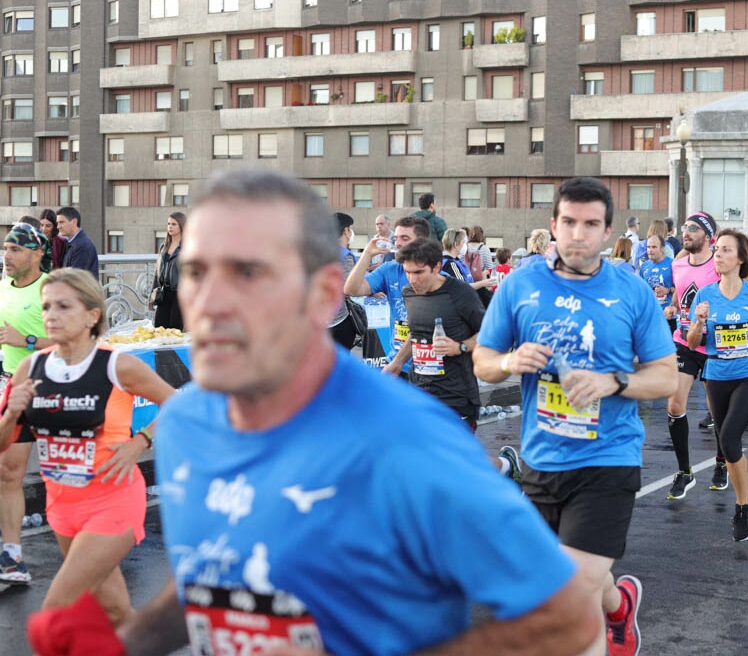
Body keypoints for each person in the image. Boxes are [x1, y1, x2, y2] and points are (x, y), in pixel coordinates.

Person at [25, 170, 598, 656]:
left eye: (248, 273)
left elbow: (565, 615)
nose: (212, 301)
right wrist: (127, 645)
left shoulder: (405, 438)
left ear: (324, 293)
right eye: (198, 272)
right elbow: (221, 575)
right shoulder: (186, 424)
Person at [474, 176, 678, 656]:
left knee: (572, 595)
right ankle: (620, 605)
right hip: (542, 458)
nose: (577, 234)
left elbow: (666, 377)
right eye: (568, 222)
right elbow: (483, 358)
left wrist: (614, 382)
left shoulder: (630, 292)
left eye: (590, 224)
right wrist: (508, 362)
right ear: (553, 224)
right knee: (571, 579)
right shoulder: (521, 283)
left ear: (607, 233)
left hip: (608, 457)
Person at [0, 268, 175, 623]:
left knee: (55, 612)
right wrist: (11, 413)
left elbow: (177, 403)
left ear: (92, 315)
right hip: (63, 506)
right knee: (113, 610)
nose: (51, 315)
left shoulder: (116, 365)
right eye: (47, 306)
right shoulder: (30, 368)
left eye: (64, 306)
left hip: (114, 501)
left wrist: (140, 442)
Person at [395, 237, 522, 480]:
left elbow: (491, 333)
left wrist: (461, 346)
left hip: (457, 393)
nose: (412, 279)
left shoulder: (459, 294)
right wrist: (398, 362)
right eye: (407, 272)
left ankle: (504, 466)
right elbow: (418, 333)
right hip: (420, 390)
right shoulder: (409, 293)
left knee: (452, 462)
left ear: (436, 267)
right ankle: (504, 467)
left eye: (419, 272)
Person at [688, 230, 748, 541]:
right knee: (726, 442)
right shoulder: (704, 296)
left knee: (729, 436)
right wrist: (699, 322)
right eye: (717, 250)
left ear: (740, 258)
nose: (718, 255)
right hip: (716, 375)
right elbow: (692, 343)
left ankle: (742, 505)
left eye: (726, 250)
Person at [0, 224, 54, 584]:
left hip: (55, 388)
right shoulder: (3, 286)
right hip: (13, 385)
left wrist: (29, 338)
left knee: (67, 476)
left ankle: (93, 544)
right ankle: (13, 556)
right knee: (8, 471)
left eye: (15, 250)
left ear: (36, 255)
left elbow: (80, 338)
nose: (7, 256)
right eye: (5, 248)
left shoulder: (52, 287)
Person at [663, 212, 729, 498]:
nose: (686, 232)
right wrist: (673, 309)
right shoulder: (677, 265)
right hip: (685, 342)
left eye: (692, 228)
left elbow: (747, 290)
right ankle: (685, 471)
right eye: (684, 228)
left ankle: (722, 461)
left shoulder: (719, 265)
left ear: (707, 235)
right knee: (674, 406)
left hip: (714, 345)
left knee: (718, 411)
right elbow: (680, 297)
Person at [344, 215, 431, 377]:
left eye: (405, 238)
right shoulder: (389, 270)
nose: (398, 243)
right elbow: (351, 289)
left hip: (428, 364)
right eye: (396, 238)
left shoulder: (437, 275)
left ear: (422, 243)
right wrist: (367, 254)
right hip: (397, 363)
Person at [328, 212, 360, 348]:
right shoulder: (345, 256)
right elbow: (348, 289)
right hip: (339, 319)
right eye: (350, 228)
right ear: (346, 231)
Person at [151, 212, 186, 331]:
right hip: (163, 293)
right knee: (159, 328)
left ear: (182, 226)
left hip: (179, 294)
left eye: (174, 224)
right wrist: (152, 295)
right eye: (168, 224)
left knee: (175, 329)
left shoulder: (188, 247)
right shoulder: (164, 247)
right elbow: (157, 273)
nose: (170, 227)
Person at [440, 229, 497, 294]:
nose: (465, 245)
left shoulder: (456, 260)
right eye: (463, 242)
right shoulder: (451, 264)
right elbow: (462, 287)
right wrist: (482, 283)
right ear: (455, 244)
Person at [56, 207, 99, 281]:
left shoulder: (82, 246)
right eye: (58, 223)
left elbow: (75, 279)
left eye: (62, 222)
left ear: (74, 222)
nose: (58, 227)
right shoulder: (71, 242)